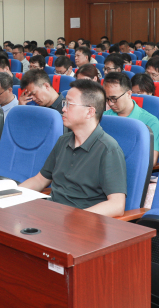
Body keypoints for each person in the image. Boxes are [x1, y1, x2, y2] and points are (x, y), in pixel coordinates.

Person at [20, 80, 126, 216]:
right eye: (64, 104)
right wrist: (10, 194)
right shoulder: (63, 141)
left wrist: (75, 219)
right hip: (52, 213)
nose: (63, 109)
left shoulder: (108, 149)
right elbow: (40, 180)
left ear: (89, 112)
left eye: (69, 104)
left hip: (81, 220)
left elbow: (117, 205)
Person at [102, 72, 159, 163]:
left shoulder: (150, 121)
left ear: (129, 94)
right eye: (107, 99)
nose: (110, 103)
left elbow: (151, 161)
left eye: (114, 98)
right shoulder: (103, 117)